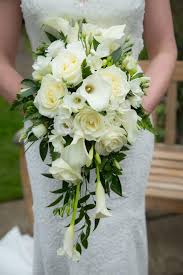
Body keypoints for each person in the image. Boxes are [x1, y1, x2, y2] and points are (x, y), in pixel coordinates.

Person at [0, 1, 177, 274]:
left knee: (118, 242)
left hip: (124, 134)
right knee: (57, 235)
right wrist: (44, 113)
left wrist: (126, 113)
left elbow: (165, 49)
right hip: (50, 132)